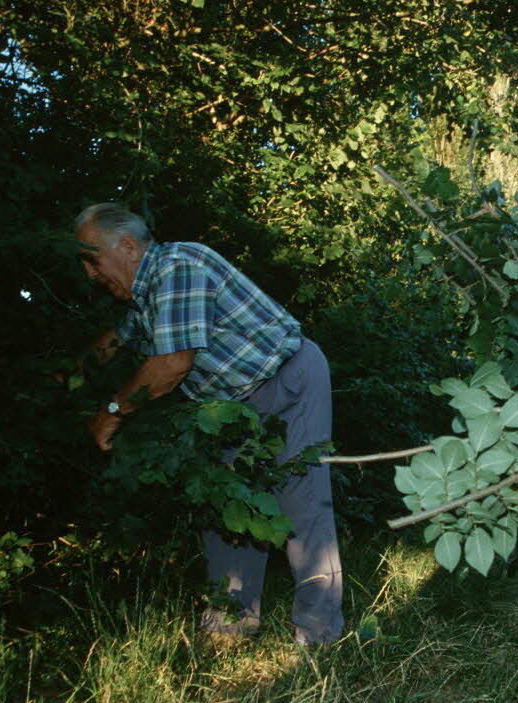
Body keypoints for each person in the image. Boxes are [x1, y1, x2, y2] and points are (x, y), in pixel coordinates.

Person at [75, 203, 344, 648]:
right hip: (229, 409)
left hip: (288, 380)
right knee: (225, 510)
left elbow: (171, 365)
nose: (89, 274)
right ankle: (229, 627)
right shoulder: (145, 297)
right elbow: (115, 341)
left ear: (125, 246)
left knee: (302, 505)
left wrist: (110, 412)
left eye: (92, 259)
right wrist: (63, 378)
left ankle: (319, 636)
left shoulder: (179, 267)